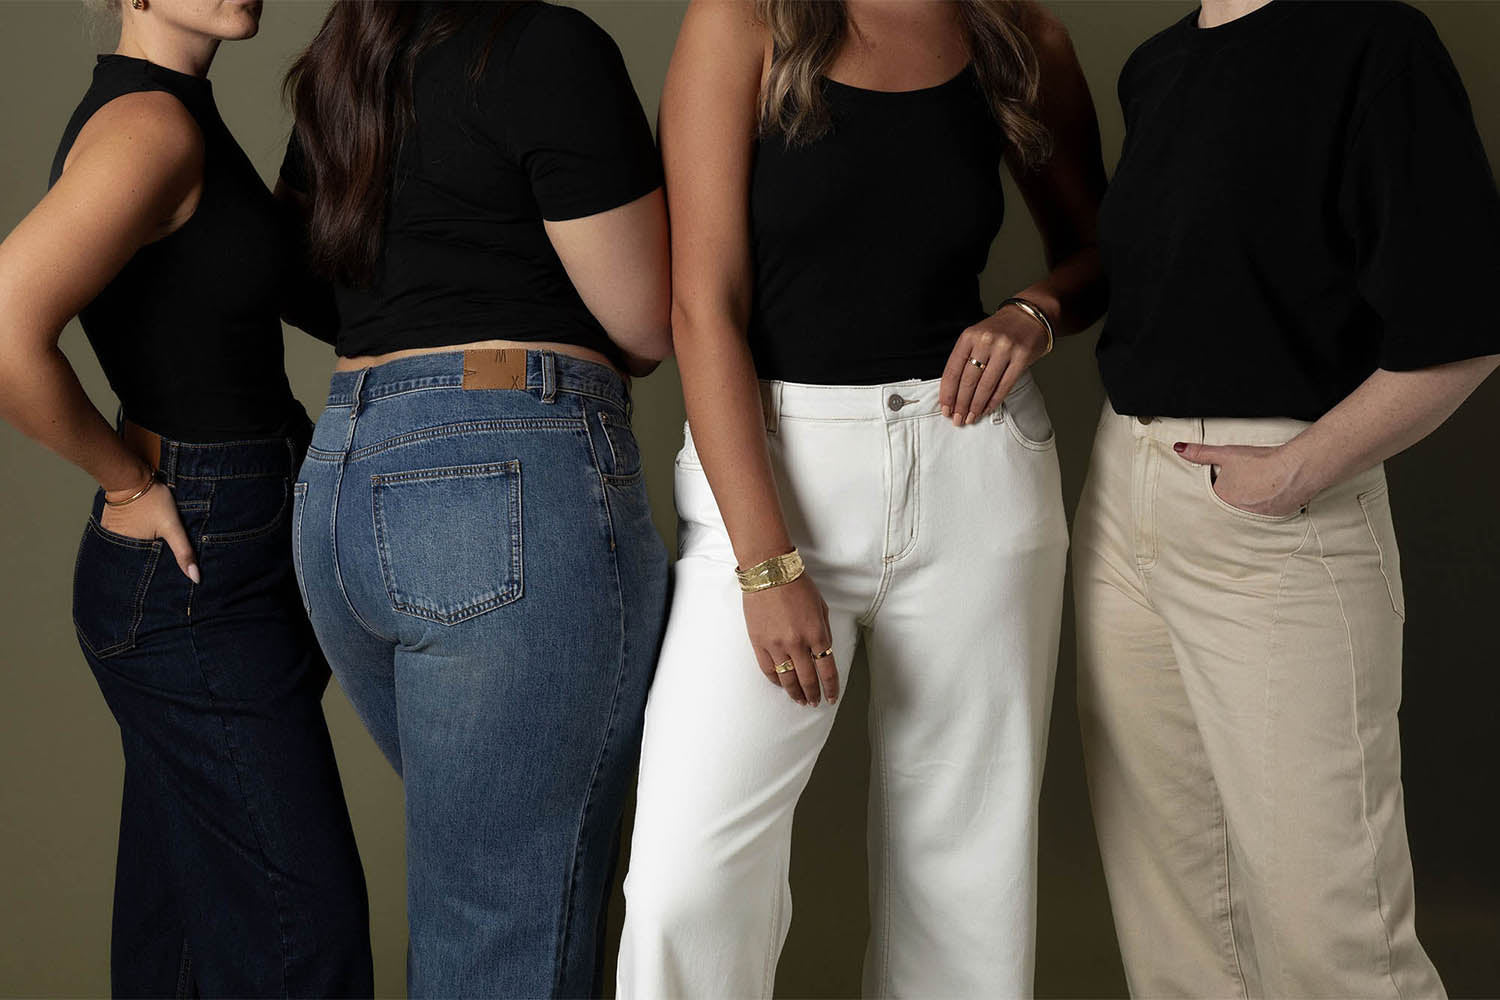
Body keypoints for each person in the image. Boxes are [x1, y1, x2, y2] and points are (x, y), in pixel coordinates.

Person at [616, 0, 1107, 995]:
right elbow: (702, 307)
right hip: (774, 468)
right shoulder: (746, 21)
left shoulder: (1019, 34)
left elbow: (1106, 252)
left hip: (976, 466)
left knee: (965, 884)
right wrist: (766, 560)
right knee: (686, 885)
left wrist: (1033, 312)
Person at [1074, 1, 1500, 996]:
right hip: (1124, 503)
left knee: (1334, 937)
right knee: (1172, 923)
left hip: (1279, 515)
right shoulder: (1157, 66)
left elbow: (1470, 320)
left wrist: (1294, 470)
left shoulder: (1373, 43)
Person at [280, 2, 672, 995]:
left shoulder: (347, 65)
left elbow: (318, 282)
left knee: (486, 896)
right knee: (508, 925)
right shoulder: (544, 47)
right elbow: (645, 321)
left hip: (343, 483)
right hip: (499, 477)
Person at [0, 0, 372, 995]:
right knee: (304, 941)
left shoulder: (177, 111)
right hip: (200, 564)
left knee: (188, 940)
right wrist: (126, 480)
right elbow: (4, 329)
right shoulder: (150, 128)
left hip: (234, 543)